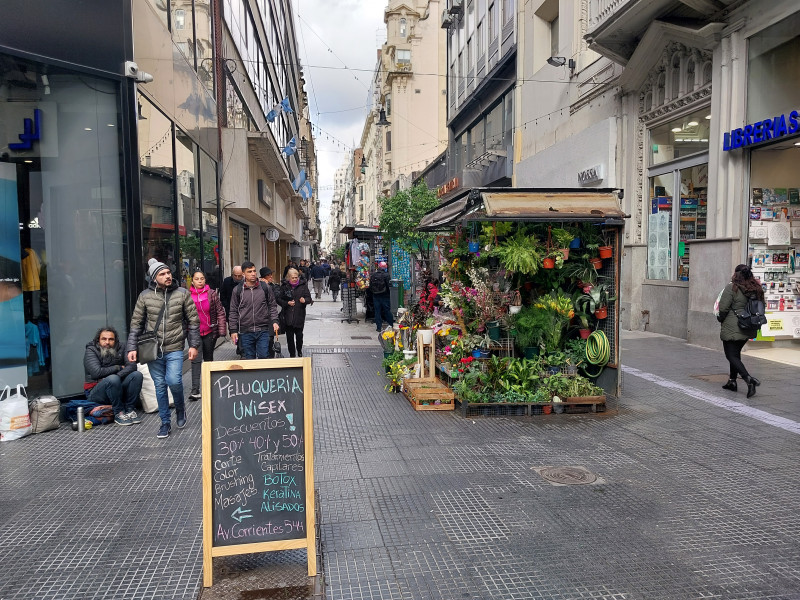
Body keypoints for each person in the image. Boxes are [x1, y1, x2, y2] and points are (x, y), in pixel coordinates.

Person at [127, 259, 200, 439]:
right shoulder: (144, 296)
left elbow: (193, 321)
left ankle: (181, 409)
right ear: (154, 278)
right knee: (160, 386)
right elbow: (136, 323)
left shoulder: (182, 293)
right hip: (152, 349)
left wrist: (193, 345)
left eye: (168, 272)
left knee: (174, 381)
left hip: (175, 347)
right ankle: (165, 422)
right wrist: (131, 347)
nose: (167, 276)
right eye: (162, 274)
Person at [717, 264, 764, 398]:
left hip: (733, 326)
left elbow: (724, 308)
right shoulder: (757, 288)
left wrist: (720, 318)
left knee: (730, 355)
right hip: (749, 326)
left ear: (736, 274)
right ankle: (732, 382)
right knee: (735, 354)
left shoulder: (732, 287)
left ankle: (749, 380)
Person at [84, 326, 144, 426]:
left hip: (117, 388)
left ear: (115, 341)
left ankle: (130, 410)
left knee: (136, 375)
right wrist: (118, 367)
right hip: (96, 392)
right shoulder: (91, 350)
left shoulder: (122, 347)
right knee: (113, 379)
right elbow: (96, 373)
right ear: (98, 340)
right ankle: (119, 413)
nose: (107, 342)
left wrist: (116, 376)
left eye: (111, 339)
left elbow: (132, 366)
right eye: (104, 339)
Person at [229, 261, 280, 360]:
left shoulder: (265, 287)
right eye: (249, 271)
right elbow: (233, 311)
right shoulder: (238, 290)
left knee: (264, 356)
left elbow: (272, 306)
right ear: (243, 274)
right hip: (245, 331)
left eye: (254, 271)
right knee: (249, 359)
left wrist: (274, 321)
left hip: (263, 330)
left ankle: (263, 376)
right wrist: (233, 330)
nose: (253, 273)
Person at [188, 270, 226, 400]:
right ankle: (195, 390)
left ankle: (210, 387)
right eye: (197, 279)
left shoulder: (211, 294)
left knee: (209, 359)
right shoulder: (187, 296)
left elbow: (220, 311)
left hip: (209, 331)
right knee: (196, 360)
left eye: (202, 278)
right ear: (192, 281)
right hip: (194, 332)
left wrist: (221, 330)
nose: (200, 281)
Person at [277, 268, 313, 357]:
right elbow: (278, 299)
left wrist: (304, 300)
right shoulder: (284, 286)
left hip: (299, 315)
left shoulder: (303, 286)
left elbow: (309, 299)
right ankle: (292, 354)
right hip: (288, 316)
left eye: (296, 277)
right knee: (289, 338)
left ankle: (299, 350)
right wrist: (287, 303)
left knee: (299, 336)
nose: (295, 279)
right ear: (289, 278)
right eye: (292, 278)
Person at [370, 261, 393, 332]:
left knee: (377, 311)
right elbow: (389, 285)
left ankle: (378, 327)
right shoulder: (386, 275)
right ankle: (391, 325)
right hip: (385, 295)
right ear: (385, 267)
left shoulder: (373, 275)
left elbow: (370, 285)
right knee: (387, 310)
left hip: (376, 296)